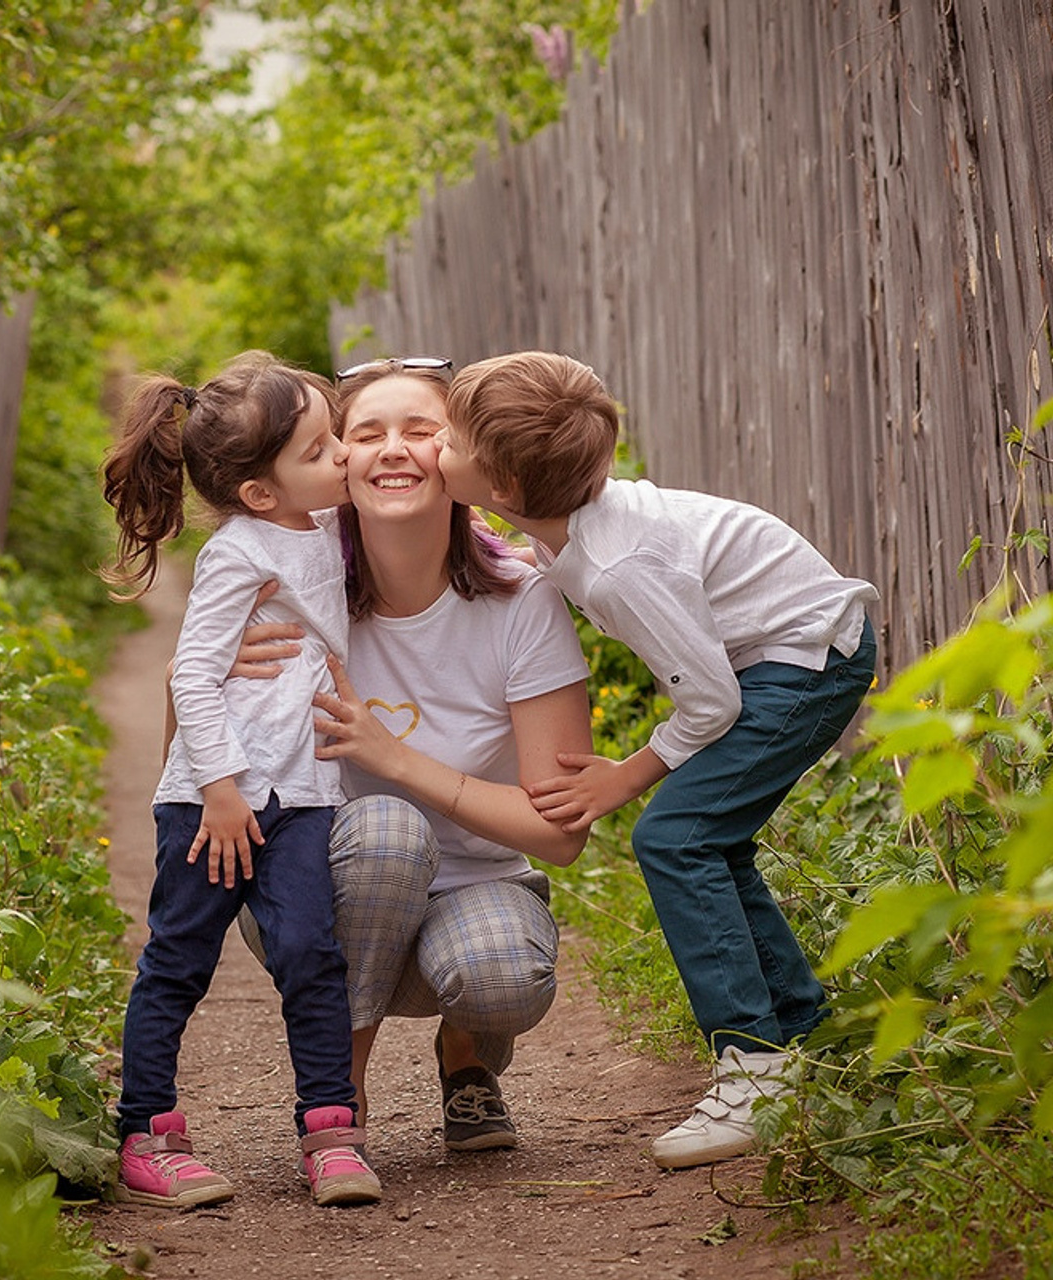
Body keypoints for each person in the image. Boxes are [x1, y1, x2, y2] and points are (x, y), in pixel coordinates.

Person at [437, 350, 880, 1169]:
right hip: (769, 658)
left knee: (673, 837)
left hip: (804, 661)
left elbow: (712, 703)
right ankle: (804, 1038)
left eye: (450, 436)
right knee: (707, 840)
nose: (436, 441)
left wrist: (625, 776)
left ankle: (752, 1070)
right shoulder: (566, 528)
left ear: (501, 488)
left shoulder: (618, 565)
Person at [231, 356, 594, 1152]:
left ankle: (467, 1058)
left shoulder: (521, 602)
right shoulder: (283, 588)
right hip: (333, 895)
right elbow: (204, 766)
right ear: (337, 461)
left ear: (463, 459)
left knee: (501, 975)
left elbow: (562, 834)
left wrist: (395, 758)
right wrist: (188, 677)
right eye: (367, 433)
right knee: (389, 828)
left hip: (480, 886)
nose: (393, 449)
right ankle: (339, 1092)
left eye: (421, 431)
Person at [100, 351, 381, 1209]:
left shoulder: (322, 523)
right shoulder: (239, 550)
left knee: (309, 954)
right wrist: (219, 788)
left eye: (337, 437)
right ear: (260, 492)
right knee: (179, 962)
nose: (341, 456)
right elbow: (191, 674)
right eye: (321, 447)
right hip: (210, 801)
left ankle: (331, 1130)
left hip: (298, 798)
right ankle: (147, 1132)